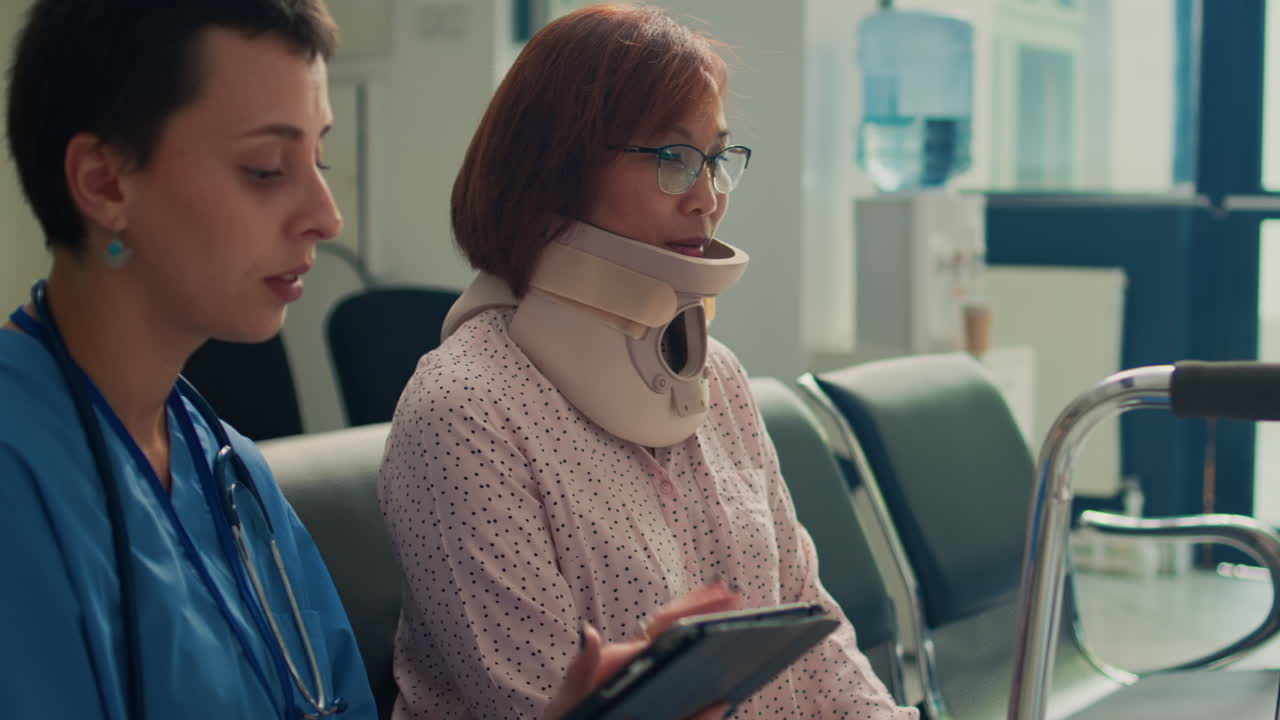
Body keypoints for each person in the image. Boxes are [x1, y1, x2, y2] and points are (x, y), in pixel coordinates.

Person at [0, 1, 732, 718]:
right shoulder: (19, 470)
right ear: (103, 183)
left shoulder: (229, 472)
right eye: (264, 168)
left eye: (318, 158)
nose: (326, 214)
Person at [378, 4, 919, 719]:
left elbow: (813, 637)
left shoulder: (715, 377)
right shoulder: (465, 414)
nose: (708, 198)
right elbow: (534, 706)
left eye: (717, 159)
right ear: (556, 170)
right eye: (671, 158)